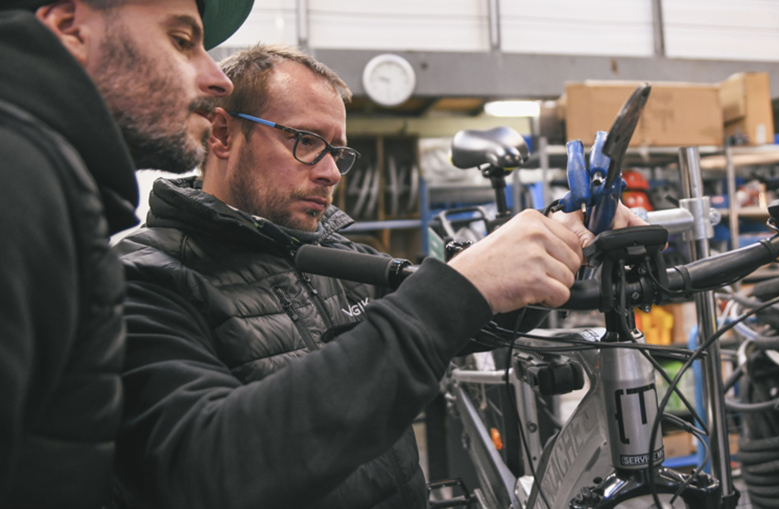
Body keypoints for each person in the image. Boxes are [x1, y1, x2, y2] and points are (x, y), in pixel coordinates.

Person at [112, 44, 644, 509]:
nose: (327, 172)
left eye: (337, 152)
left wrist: (566, 241)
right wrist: (458, 287)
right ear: (223, 133)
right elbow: (215, 472)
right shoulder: (144, 281)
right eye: (304, 140)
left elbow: (461, 320)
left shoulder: (332, 252)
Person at [0, 0, 252, 507]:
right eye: (182, 40)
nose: (218, 79)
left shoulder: (53, 183)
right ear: (71, 28)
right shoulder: (19, 177)